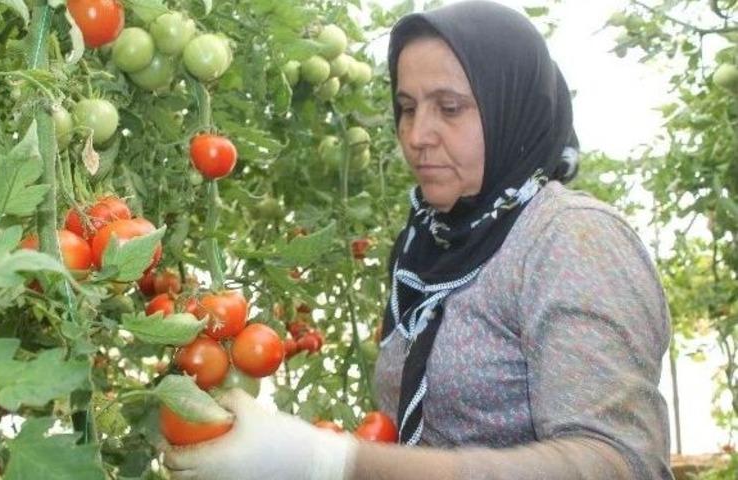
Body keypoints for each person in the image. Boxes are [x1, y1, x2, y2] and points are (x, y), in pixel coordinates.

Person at [163, 1, 674, 479]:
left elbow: (620, 461)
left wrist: (334, 462)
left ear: (510, 109)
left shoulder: (570, 240)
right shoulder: (423, 246)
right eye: (407, 107)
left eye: (449, 108)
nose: (416, 134)